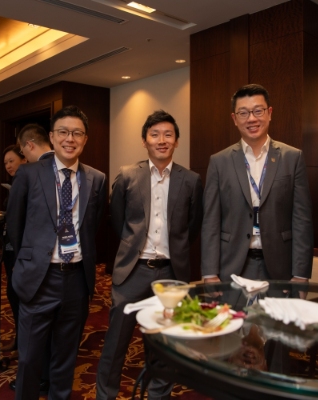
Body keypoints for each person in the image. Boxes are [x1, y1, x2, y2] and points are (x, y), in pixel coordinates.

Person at [96, 110, 203, 400]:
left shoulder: (190, 180)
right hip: (132, 271)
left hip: (171, 274)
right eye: (155, 134)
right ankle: (105, 395)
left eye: (168, 134)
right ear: (144, 140)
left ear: (176, 141)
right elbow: (117, 221)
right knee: (116, 343)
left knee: (164, 344)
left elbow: (192, 227)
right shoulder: (128, 175)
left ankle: (158, 396)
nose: (161, 140)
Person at [7, 105, 107, 400]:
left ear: (85, 139)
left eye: (77, 133)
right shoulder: (28, 173)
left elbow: (93, 226)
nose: (69, 139)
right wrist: (31, 261)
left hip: (76, 280)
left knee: (65, 358)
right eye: (63, 132)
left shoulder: (97, 179)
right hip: (39, 278)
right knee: (29, 359)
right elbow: (15, 226)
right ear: (51, 137)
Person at [201, 84, 313, 283]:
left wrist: (300, 274)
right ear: (234, 119)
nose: (251, 119)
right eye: (243, 113)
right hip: (232, 266)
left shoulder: (292, 158)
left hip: (280, 267)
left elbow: (302, 220)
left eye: (258, 111)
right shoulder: (219, 162)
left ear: (269, 113)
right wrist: (210, 273)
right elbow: (211, 221)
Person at [8, 127, 54, 393]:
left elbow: (15, 221)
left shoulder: (26, 172)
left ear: (29, 144)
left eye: (21, 149)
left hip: (33, 264)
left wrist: (20, 257)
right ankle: (47, 376)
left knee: (33, 329)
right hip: (62, 266)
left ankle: (34, 379)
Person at [1, 145, 27, 352]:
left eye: (11, 161)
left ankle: (23, 340)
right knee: (12, 292)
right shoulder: (15, 184)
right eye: (5, 163)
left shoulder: (28, 183)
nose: (8, 166)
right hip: (10, 247)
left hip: (20, 249)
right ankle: (21, 338)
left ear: (24, 159)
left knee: (18, 292)